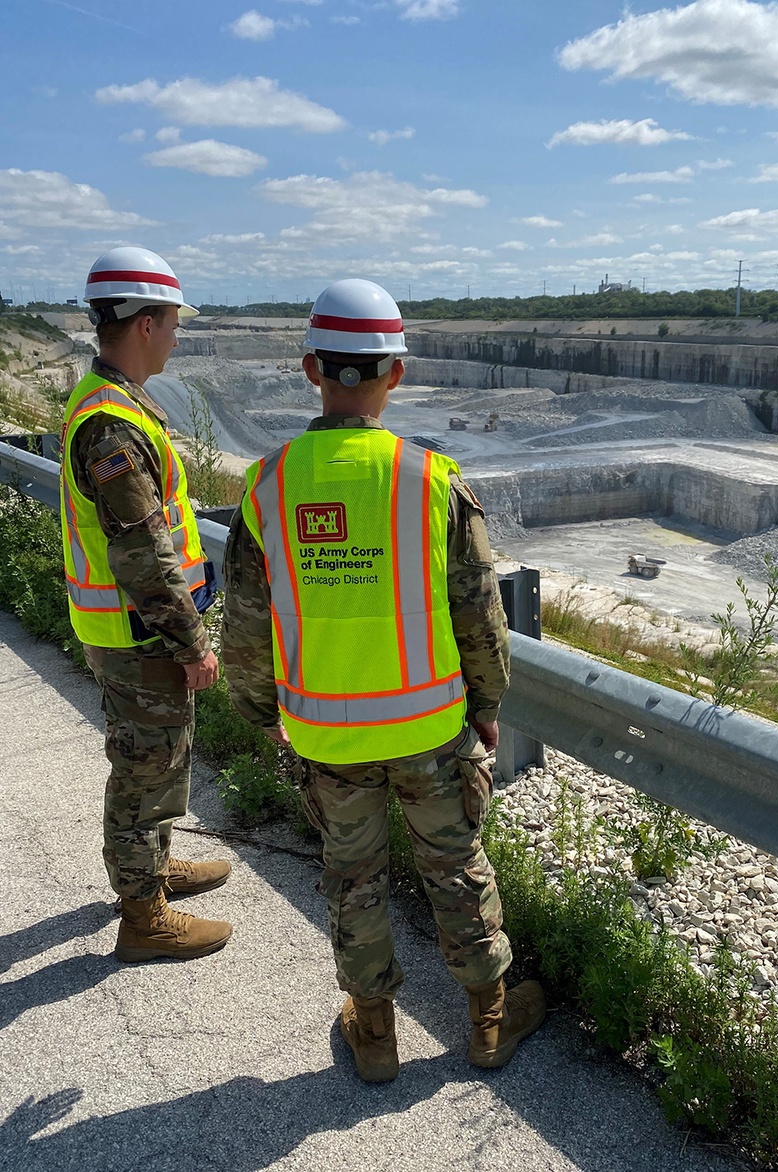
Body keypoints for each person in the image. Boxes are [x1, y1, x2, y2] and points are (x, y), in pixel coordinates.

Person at [221, 279, 544, 1081]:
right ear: (395, 373)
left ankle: (375, 1036)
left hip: (328, 739)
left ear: (310, 369)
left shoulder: (267, 487)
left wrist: (265, 716)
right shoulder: (432, 482)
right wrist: (489, 709)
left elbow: (246, 631)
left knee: (354, 882)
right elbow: (481, 617)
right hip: (431, 730)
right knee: (458, 868)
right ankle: (488, 1022)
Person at [60, 246, 233, 963]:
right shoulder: (112, 426)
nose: (177, 335)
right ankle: (143, 916)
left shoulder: (117, 402)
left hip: (135, 631)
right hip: (140, 634)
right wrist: (191, 643)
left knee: (158, 759)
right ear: (143, 323)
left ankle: (153, 871)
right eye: (171, 322)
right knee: (143, 766)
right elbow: (142, 553)